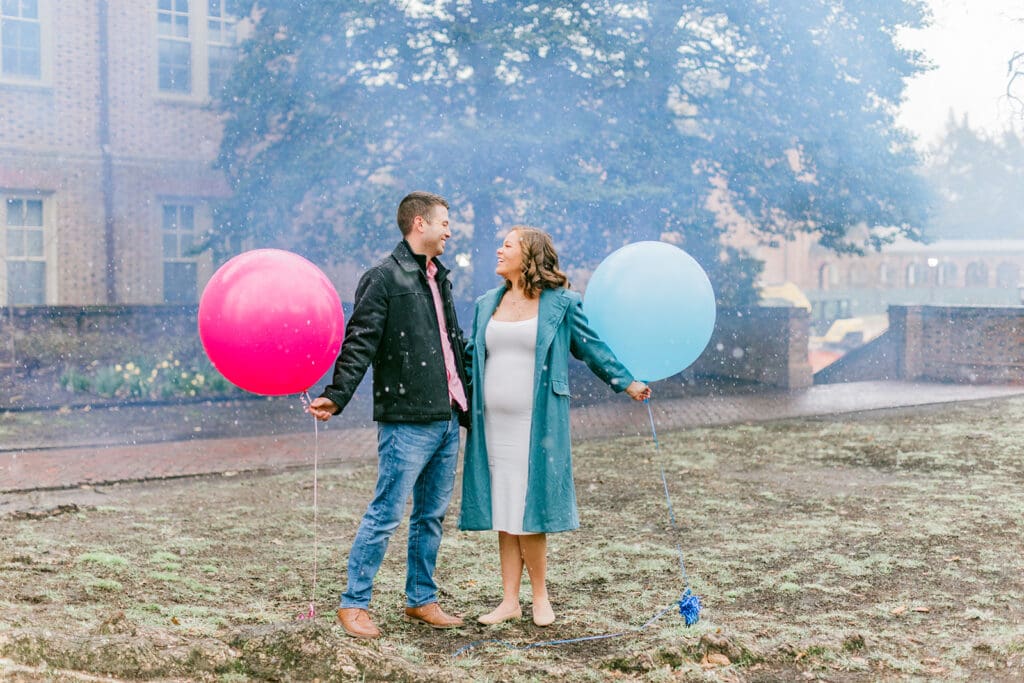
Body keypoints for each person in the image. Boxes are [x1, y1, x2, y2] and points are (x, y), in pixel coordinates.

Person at [459, 226, 650, 627]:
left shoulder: (561, 303)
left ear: (528, 255)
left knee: (532, 511)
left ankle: (541, 597)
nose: (498, 250)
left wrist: (626, 381)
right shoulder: (484, 303)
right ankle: (509, 600)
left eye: (507, 245)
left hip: (538, 422)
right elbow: (471, 358)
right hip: (492, 425)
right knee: (504, 510)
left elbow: (591, 346)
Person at [307, 191, 470, 640]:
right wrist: (337, 395)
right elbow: (360, 340)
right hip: (406, 420)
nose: (449, 231)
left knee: (431, 516)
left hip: (445, 418)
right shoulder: (383, 278)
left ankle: (421, 599)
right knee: (386, 513)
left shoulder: (440, 278)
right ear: (419, 224)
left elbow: (450, 346)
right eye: (443, 223)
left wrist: (466, 405)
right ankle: (353, 604)